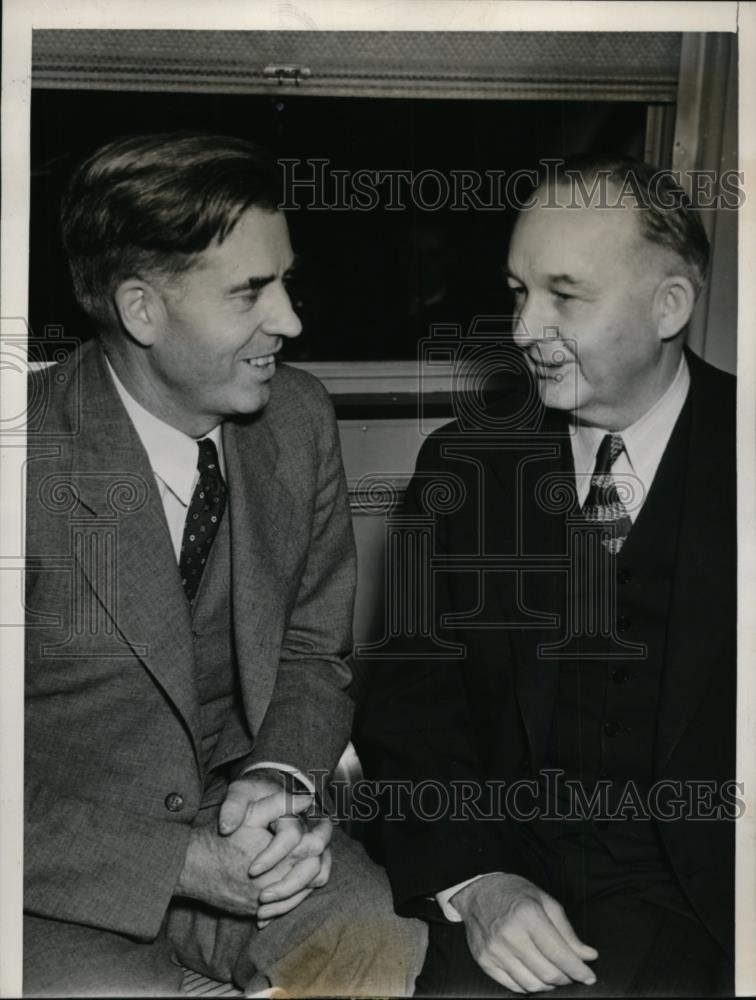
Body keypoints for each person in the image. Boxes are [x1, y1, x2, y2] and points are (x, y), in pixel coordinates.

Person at [24, 131, 426, 997]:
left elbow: (313, 653)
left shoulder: (299, 419)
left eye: (284, 280)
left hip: (238, 823)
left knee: (368, 949)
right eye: (251, 291)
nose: (290, 319)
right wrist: (176, 860)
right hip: (49, 875)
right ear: (141, 310)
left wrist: (278, 778)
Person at [356, 157, 735, 996]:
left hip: (712, 908)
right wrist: (477, 881)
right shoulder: (461, 467)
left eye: (564, 296)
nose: (525, 327)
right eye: (518, 290)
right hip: (508, 882)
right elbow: (408, 714)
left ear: (669, 306)